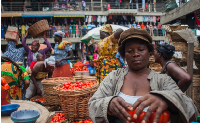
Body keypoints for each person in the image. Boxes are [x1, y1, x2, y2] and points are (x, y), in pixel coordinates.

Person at [89, 28, 198, 123]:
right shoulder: (113, 77)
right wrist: (108, 104)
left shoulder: (162, 80)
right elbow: (93, 104)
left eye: (141, 50)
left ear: (150, 52)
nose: (136, 54)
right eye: (130, 51)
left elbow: (191, 109)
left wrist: (166, 100)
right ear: (124, 55)